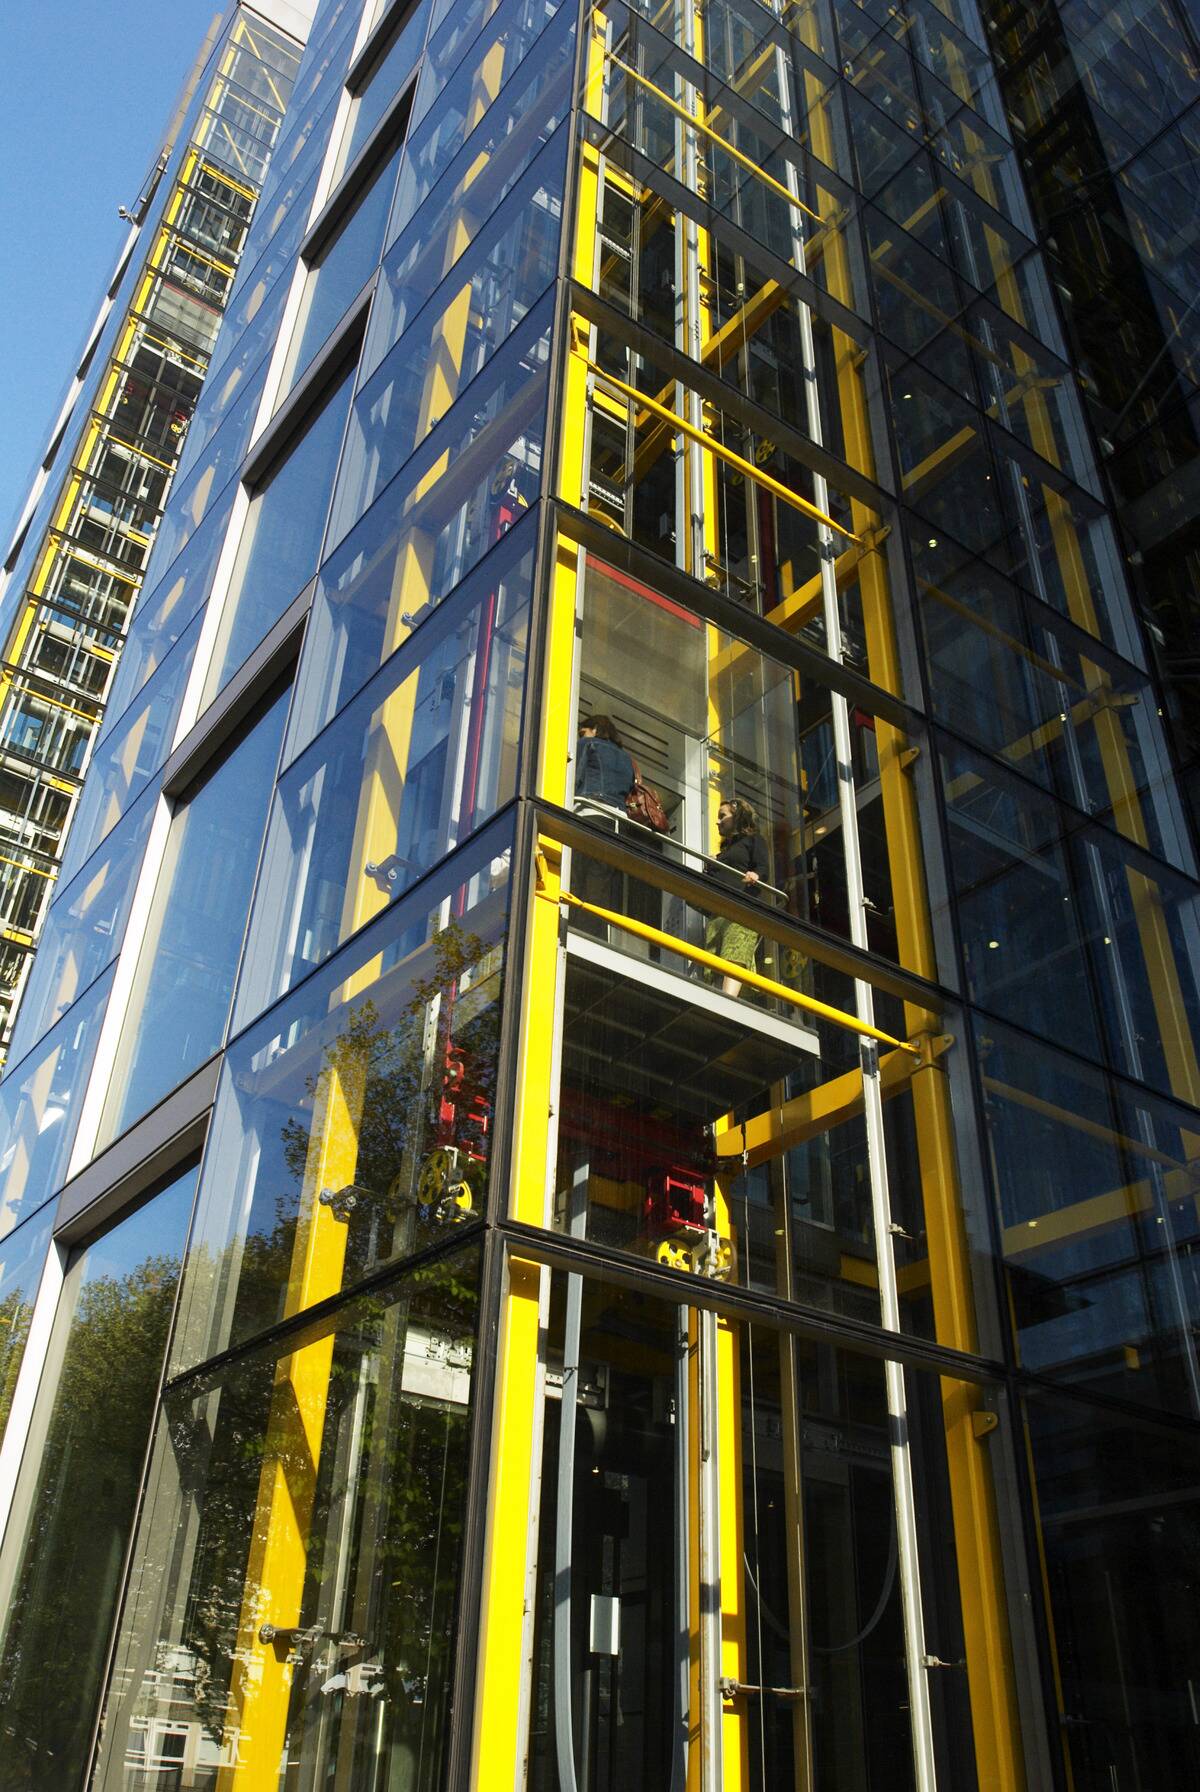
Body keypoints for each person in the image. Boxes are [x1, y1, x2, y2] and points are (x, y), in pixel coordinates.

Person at [573, 715, 634, 928]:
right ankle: (593, 932)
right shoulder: (627, 759)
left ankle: (573, 928)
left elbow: (575, 778)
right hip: (619, 824)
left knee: (576, 880)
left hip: (591, 814)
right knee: (600, 885)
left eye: (583, 732)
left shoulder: (588, 745)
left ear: (595, 729)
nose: (581, 737)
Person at [706, 798, 768, 998]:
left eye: (722, 816)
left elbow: (762, 867)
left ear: (738, 815)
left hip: (741, 907)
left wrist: (755, 876)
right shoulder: (724, 852)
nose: (718, 822)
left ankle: (728, 1001)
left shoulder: (753, 840)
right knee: (714, 959)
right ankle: (717, 1000)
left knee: (735, 950)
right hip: (719, 912)